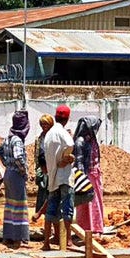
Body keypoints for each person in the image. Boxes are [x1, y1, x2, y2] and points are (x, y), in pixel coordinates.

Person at [40, 105, 76, 250]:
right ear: (67, 119)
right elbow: (70, 144)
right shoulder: (61, 131)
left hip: (52, 176)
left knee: (51, 209)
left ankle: (46, 243)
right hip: (64, 175)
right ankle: (68, 240)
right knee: (67, 208)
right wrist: (66, 157)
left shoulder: (48, 134)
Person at [0, 110, 31, 248]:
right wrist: (24, 172)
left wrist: (6, 164)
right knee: (19, 206)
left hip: (8, 174)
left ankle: (8, 236)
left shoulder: (7, 138)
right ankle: (18, 238)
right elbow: (18, 157)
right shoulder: (17, 140)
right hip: (16, 175)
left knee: (10, 205)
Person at [73, 116, 105, 239]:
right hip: (87, 175)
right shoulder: (80, 141)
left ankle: (95, 227)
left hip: (94, 174)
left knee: (95, 202)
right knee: (88, 202)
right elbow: (79, 161)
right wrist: (82, 177)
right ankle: (87, 229)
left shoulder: (91, 140)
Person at [31, 114, 54, 223]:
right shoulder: (39, 139)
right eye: (42, 124)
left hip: (52, 168)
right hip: (42, 169)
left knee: (52, 194)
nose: (44, 126)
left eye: (46, 124)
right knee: (42, 193)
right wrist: (37, 169)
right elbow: (36, 155)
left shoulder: (54, 137)